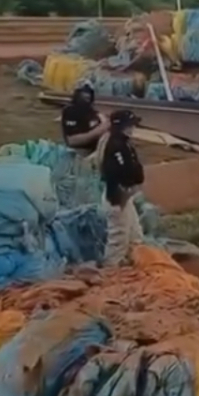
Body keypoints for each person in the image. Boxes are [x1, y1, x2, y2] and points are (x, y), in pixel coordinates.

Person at [97, 109, 146, 267]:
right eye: (129, 125)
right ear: (121, 126)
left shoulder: (122, 142)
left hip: (125, 196)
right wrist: (119, 198)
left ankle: (134, 265)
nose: (132, 128)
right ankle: (111, 272)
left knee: (135, 235)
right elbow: (116, 174)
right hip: (118, 196)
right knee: (119, 239)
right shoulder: (116, 145)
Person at [60, 80, 109, 155]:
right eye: (84, 93)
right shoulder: (71, 111)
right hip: (78, 153)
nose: (87, 96)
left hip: (96, 152)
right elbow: (72, 140)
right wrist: (99, 130)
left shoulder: (94, 112)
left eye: (89, 93)